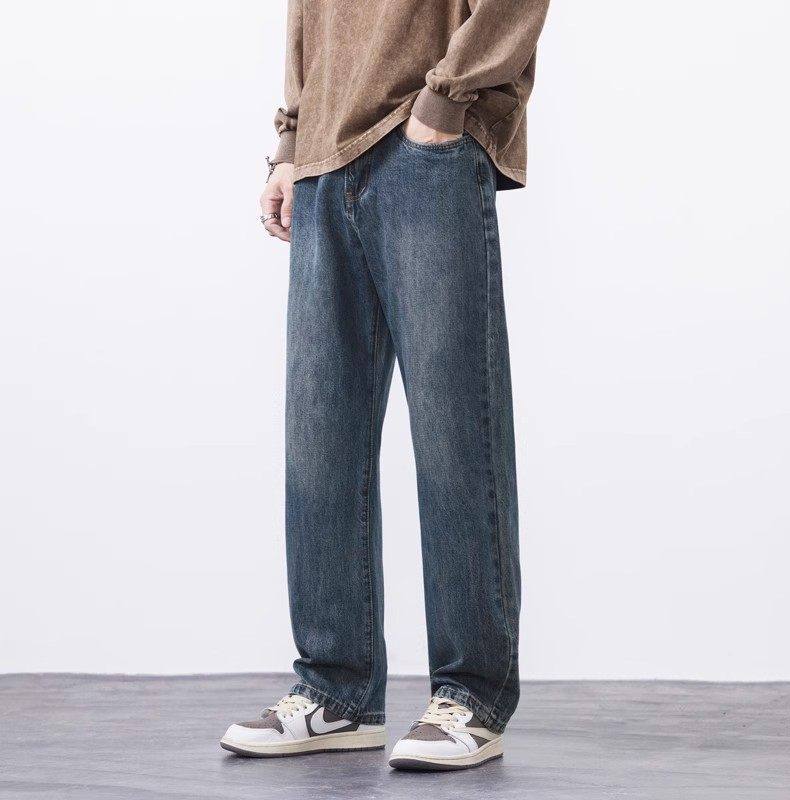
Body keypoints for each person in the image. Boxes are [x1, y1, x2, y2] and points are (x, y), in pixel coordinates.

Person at [220, 0, 550, 771]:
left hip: (425, 142)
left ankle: (472, 697)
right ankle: (335, 691)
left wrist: (447, 100)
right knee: (320, 440)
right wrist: (290, 140)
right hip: (323, 158)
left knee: (455, 433)